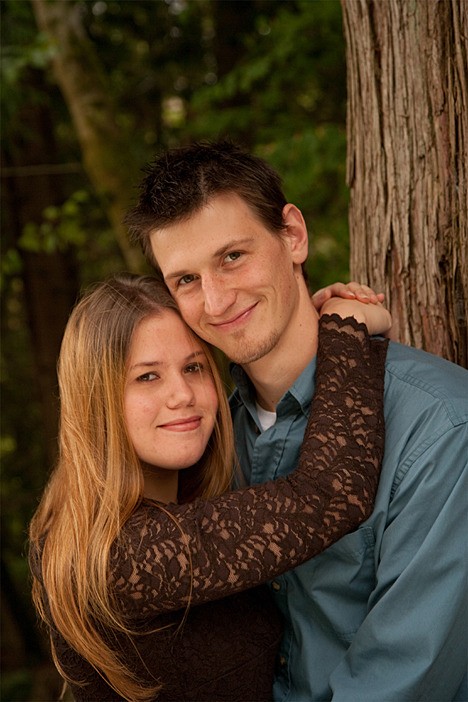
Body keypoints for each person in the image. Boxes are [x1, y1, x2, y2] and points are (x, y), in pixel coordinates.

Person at [125, 140, 468, 702]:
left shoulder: (441, 428)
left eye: (232, 257)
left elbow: (403, 679)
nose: (215, 301)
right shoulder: (201, 437)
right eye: (185, 279)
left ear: (293, 236)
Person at [29, 272, 389, 702]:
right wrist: (346, 330)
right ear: (97, 399)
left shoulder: (186, 505)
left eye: (194, 366)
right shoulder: (118, 554)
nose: (182, 394)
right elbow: (331, 496)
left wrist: (298, 331)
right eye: (147, 377)